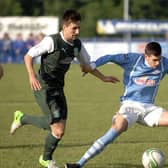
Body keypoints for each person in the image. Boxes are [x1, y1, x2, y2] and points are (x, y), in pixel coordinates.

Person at [10, 9, 119, 168]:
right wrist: (32, 76)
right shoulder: (52, 41)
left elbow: (86, 65)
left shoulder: (77, 45)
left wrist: (103, 77)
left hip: (58, 88)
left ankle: (22, 119)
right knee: (56, 128)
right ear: (65, 27)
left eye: (79, 28)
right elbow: (28, 56)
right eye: (74, 28)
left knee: (59, 130)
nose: (77, 31)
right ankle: (46, 159)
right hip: (43, 86)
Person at [65, 41, 168, 168]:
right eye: (155, 60)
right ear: (146, 56)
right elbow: (110, 57)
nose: (158, 63)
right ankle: (78, 164)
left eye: (159, 59)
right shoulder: (132, 59)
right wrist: (92, 65)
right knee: (116, 129)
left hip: (150, 109)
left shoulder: (164, 63)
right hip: (130, 106)